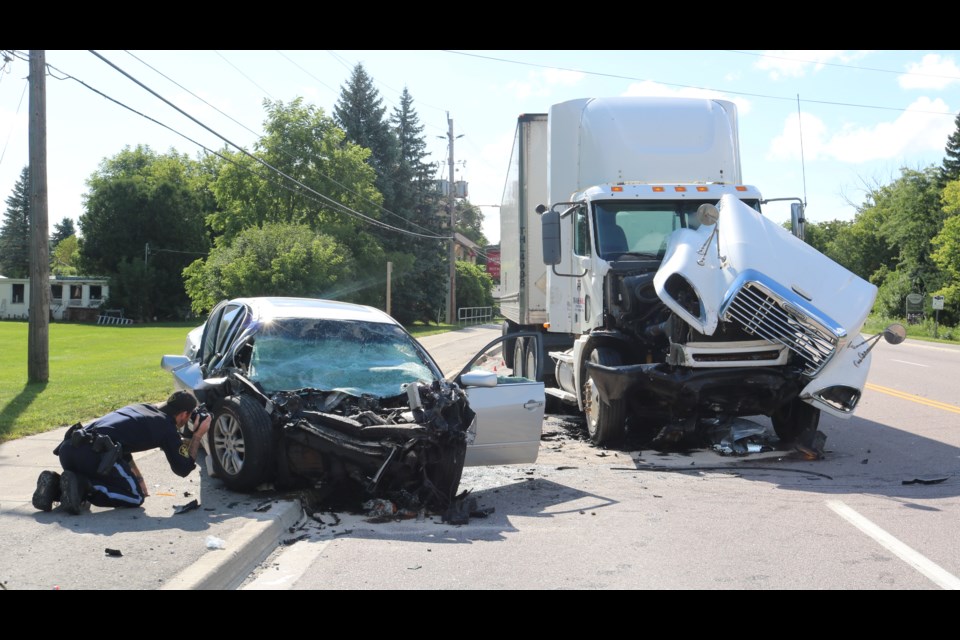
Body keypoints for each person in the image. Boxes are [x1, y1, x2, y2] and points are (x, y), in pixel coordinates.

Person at [32, 391, 212, 515]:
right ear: (183, 414)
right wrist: (197, 435)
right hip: (93, 454)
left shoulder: (144, 408)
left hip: (69, 449)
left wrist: (139, 479)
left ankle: (55, 487)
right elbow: (183, 468)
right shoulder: (166, 427)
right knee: (134, 497)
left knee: (121, 475)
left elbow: (122, 445)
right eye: (189, 416)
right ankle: (84, 486)